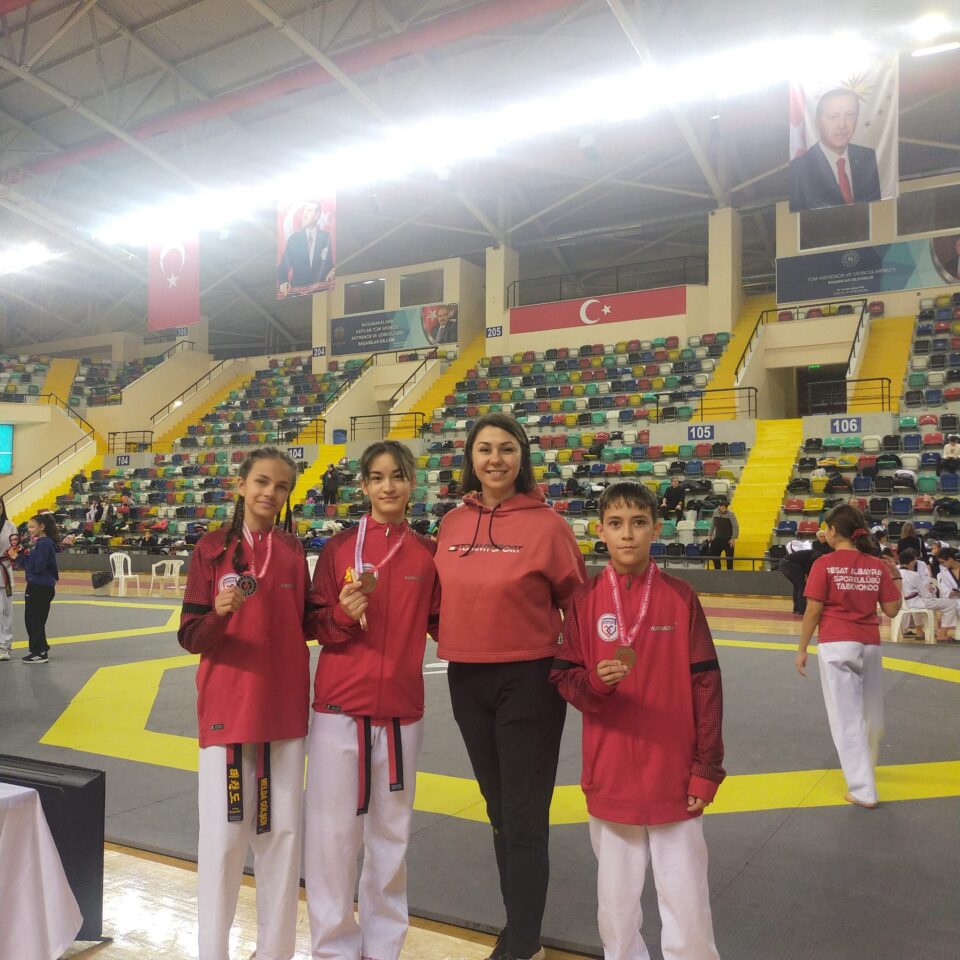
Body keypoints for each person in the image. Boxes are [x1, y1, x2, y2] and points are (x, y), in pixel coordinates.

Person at [551, 481, 724, 960]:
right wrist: (596, 684)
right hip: (610, 774)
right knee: (616, 906)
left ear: (656, 529)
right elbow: (564, 679)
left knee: (687, 900)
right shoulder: (583, 601)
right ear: (599, 532)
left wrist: (706, 767)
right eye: (616, 523)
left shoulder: (681, 597)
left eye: (638, 523)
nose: (627, 534)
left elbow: (707, 685)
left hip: (675, 772)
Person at [434, 413, 586, 960]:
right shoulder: (452, 524)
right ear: (470, 459)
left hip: (529, 679)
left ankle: (523, 943)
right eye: (484, 449)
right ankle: (518, 927)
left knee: (523, 818)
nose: (494, 459)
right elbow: (438, 601)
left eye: (506, 448)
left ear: (522, 457)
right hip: (466, 679)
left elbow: (579, 604)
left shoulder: (548, 526)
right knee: (499, 812)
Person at [177, 447, 321, 960]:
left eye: (281, 486)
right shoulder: (211, 548)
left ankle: (276, 952)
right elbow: (190, 636)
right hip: (229, 710)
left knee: (282, 838)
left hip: (284, 712)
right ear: (241, 484)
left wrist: (348, 614)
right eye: (261, 481)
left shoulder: (293, 550)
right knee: (222, 842)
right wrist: (217, 613)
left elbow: (309, 624)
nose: (270, 493)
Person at [305, 440, 440, 960]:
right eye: (378, 477)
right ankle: (333, 949)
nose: (389, 486)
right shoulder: (339, 549)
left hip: (402, 712)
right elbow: (313, 624)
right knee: (333, 837)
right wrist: (342, 614)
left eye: (398, 476)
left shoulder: (427, 553)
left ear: (411, 483)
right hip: (339, 709)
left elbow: (444, 624)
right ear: (363, 485)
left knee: (391, 838)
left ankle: (384, 948)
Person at [795, 504, 901, 808]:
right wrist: (896, 578)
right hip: (870, 645)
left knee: (845, 718)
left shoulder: (824, 564)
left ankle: (863, 789)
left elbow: (813, 610)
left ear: (833, 531)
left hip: (837, 643)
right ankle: (866, 769)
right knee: (869, 714)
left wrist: (802, 648)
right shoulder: (876, 565)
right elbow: (892, 610)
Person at [789, 88, 882, 212]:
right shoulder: (798, 168)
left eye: (850, 115)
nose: (842, 125)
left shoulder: (867, 156)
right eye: (833, 117)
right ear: (817, 123)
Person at [8, 513, 61, 664]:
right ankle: (40, 649)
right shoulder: (43, 543)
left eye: (32, 527)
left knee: (34, 620)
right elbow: (35, 562)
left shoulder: (44, 544)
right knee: (34, 619)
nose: (29, 530)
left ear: (42, 527)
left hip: (40, 587)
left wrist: (18, 558)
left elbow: (37, 567)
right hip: (40, 585)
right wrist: (22, 554)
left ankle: (40, 652)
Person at [897, 548, 957, 642]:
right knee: (951, 603)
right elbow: (924, 594)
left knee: (927, 603)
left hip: (900, 603)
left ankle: (922, 631)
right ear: (912, 562)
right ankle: (943, 634)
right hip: (916, 602)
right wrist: (932, 595)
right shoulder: (913, 575)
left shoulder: (894, 573)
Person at [277, 200, 334, 296]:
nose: (304, 215)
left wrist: (333, 270)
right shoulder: (294, 239)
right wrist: (283, 281)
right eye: (304, 212)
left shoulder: (325, 237)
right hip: (297, 290)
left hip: (321, 289)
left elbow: (328, 263)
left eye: (309, 211)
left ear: (316, 215)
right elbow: (284, 266)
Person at [780, 528, 833, 615]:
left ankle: (796, 608)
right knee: (802, 586)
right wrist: (807, 574)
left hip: (783, 563)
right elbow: (810, 561)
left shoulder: (816, 552)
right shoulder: (818, 554)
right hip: (790, 565)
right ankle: (802, 610)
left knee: (797, 586)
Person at [0, 498, 18, 662]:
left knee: (6, 611)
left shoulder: (10, 526)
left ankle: (5, 646)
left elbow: (14, 549)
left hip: (4, 569)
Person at [707, 501, 738, 570]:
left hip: (728, 540)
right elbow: (713, 524)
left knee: (729, 559)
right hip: (718, 538)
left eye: (725, 508)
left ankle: (729, 573)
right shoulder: (715, 512)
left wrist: (733, 538)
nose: (724, 510)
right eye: (722, 508)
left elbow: (735, 526)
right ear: (719, 507)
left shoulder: (731, 514)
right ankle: (717, 571)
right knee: (715, 556)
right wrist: (710, 535)